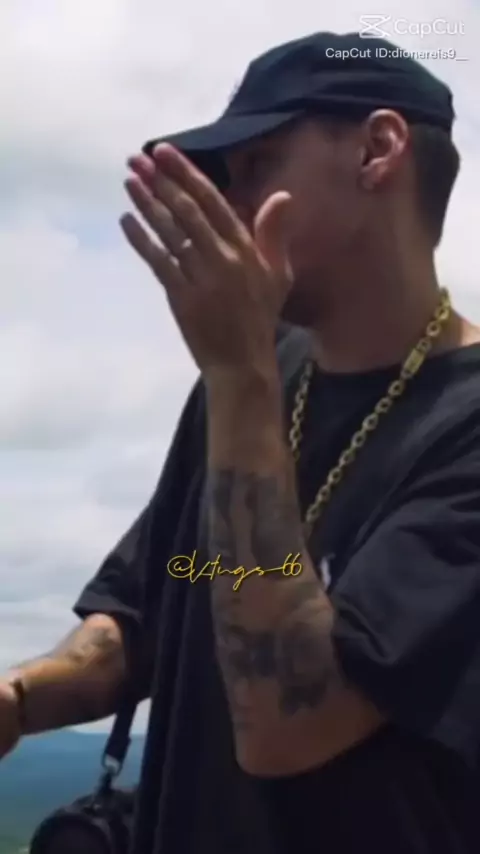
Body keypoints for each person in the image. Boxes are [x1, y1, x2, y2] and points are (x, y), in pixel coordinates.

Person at [2, 29, 480, 854]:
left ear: (378, 150)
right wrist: (20, 698)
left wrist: (237, 375)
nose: (227, 203)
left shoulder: (451, 423)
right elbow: (152, 609)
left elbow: (292, 724)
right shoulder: (255, 373)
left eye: (256, 164)